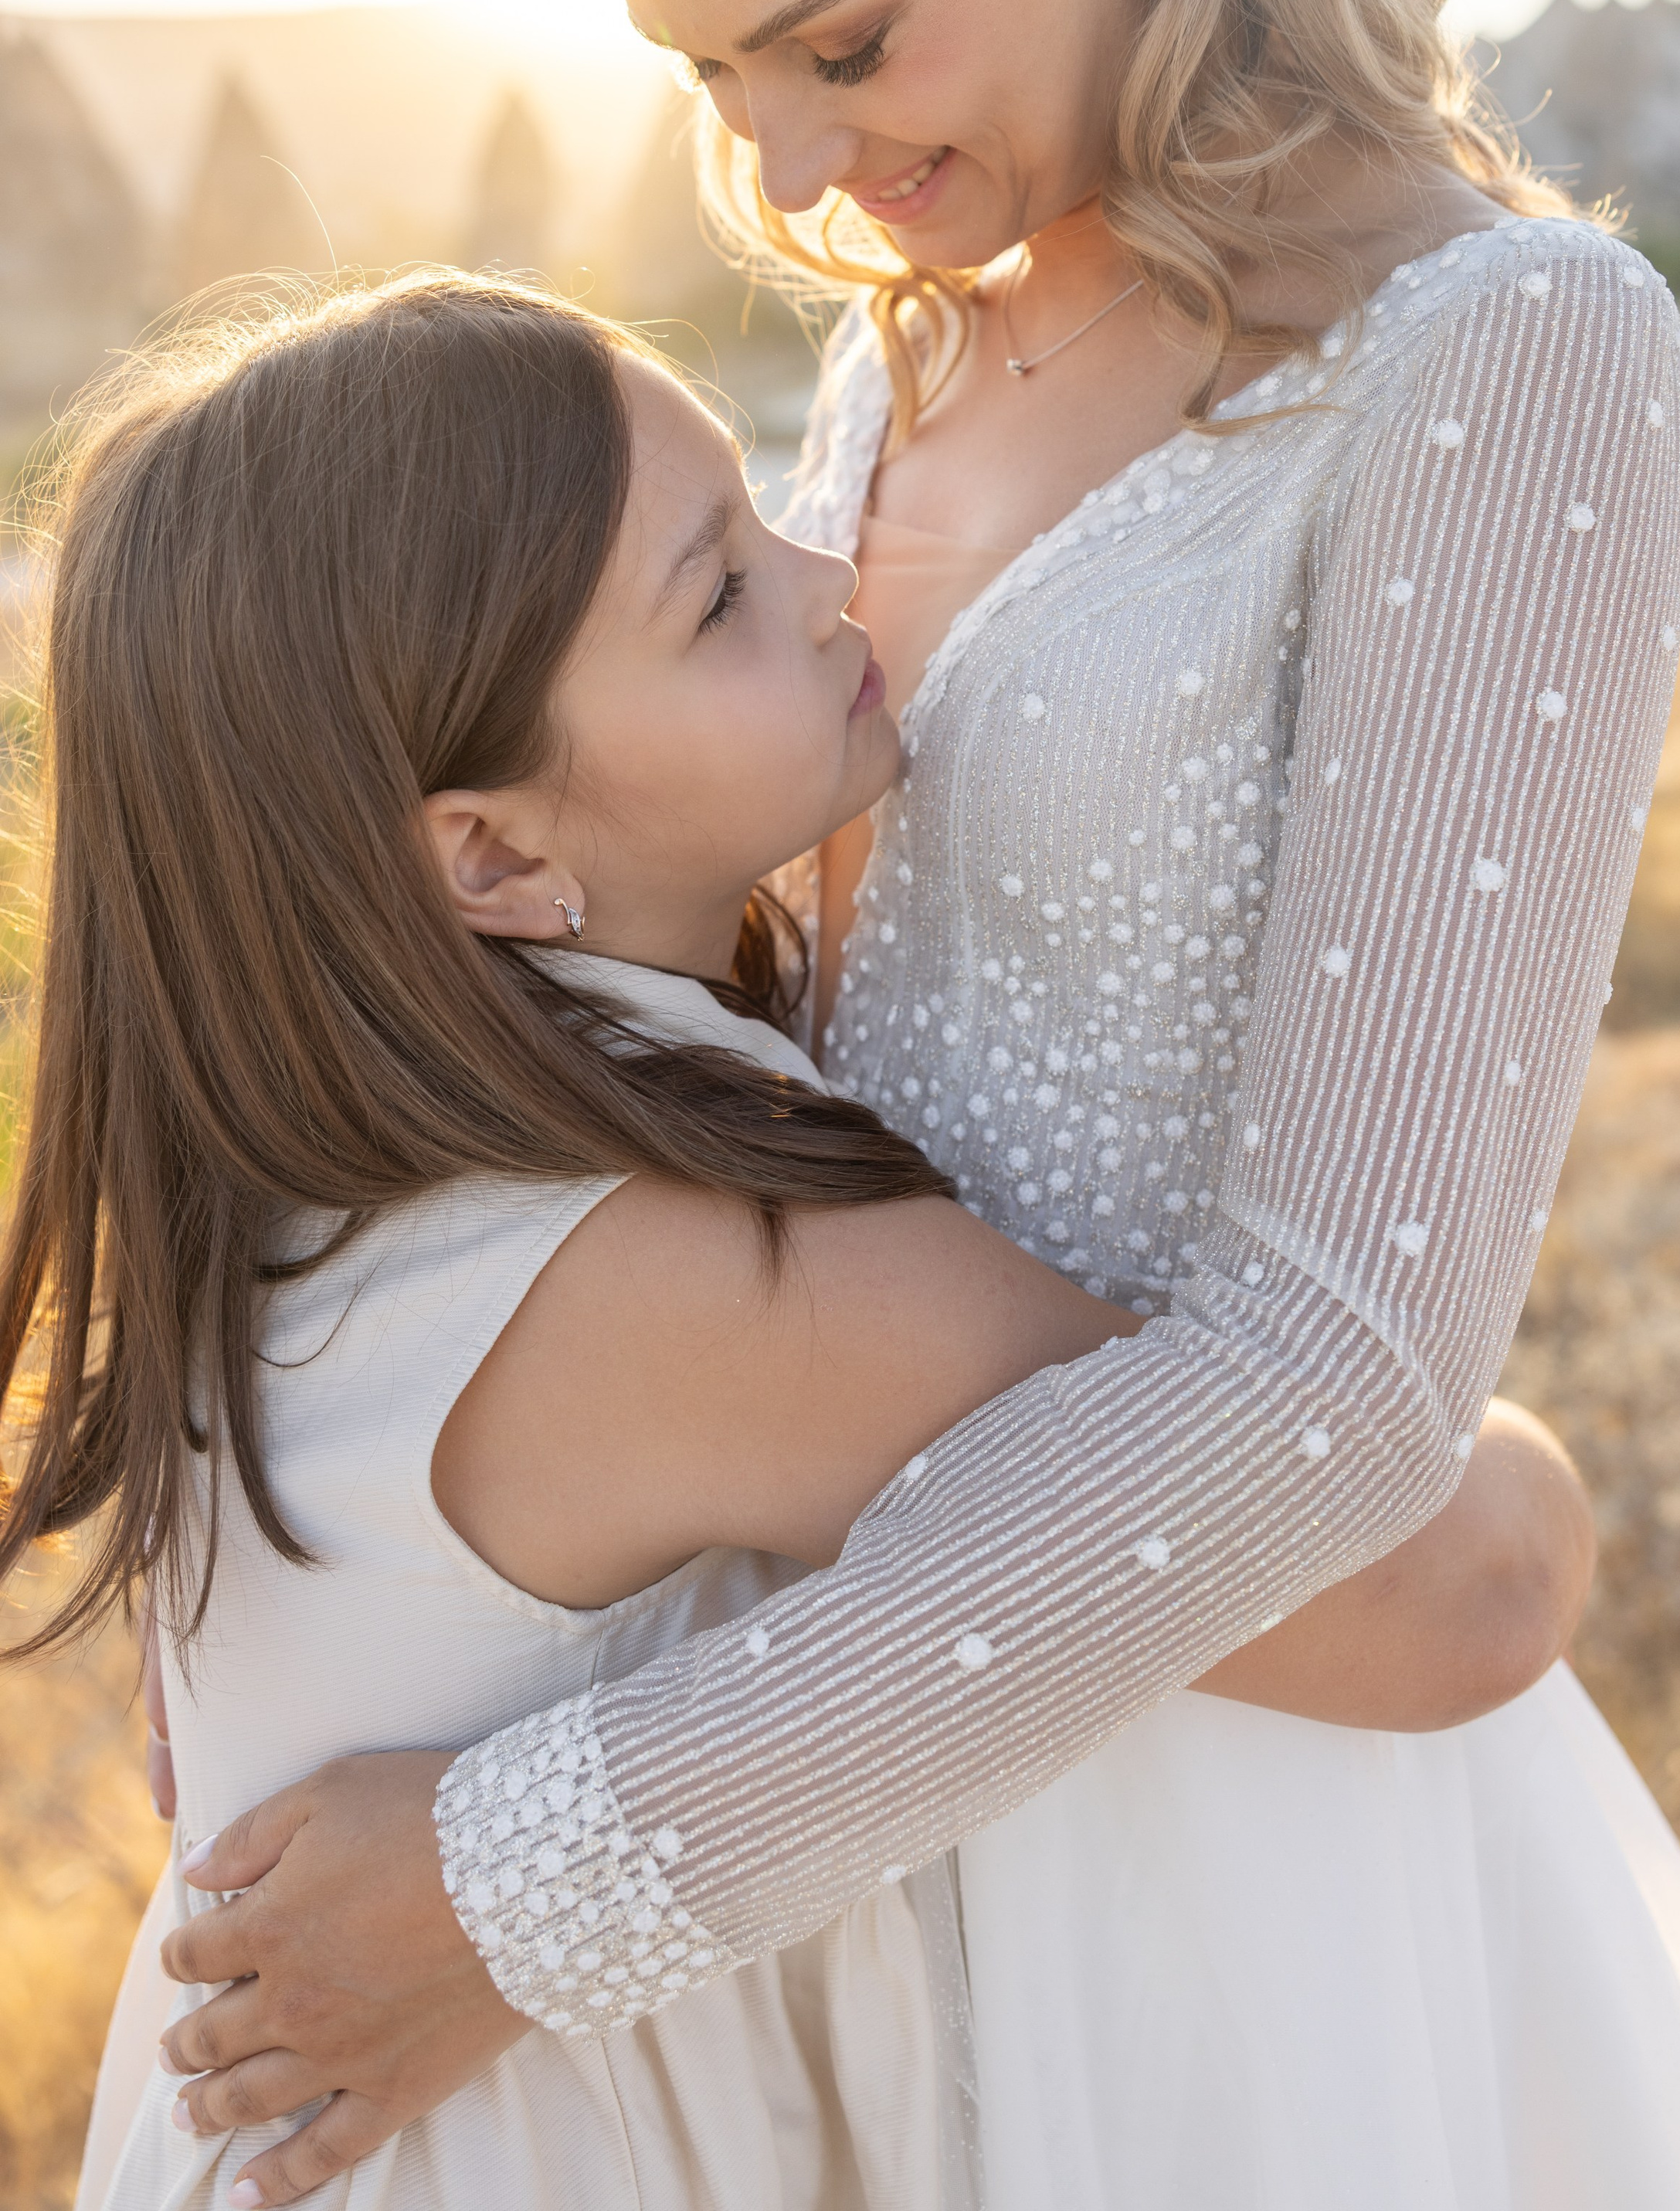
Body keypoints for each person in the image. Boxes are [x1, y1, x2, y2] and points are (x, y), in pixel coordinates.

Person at [145, 0, 1680, 2210]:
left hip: (1215, 1843)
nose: (805, 167)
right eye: (715, 78)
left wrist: (531, 1881)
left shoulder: (1505, 359)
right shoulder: (882, 361)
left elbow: (1332, 1369)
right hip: (792, 1802)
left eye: (845, 34)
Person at [15, 274, 1585, 2211]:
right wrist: (1478, 1422)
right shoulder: (696, 1279)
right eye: (716, 593)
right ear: (492, 852)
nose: (829, 556)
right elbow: (1463, 1592)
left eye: (760, 501)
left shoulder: (293, 1177)